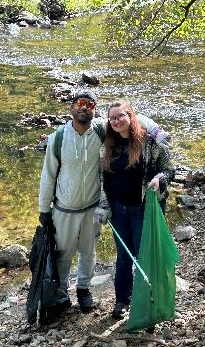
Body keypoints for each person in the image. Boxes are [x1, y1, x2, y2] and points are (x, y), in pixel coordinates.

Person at [98, 99, 175, 320]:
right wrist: (103, 207)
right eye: (112, 118)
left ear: (131, 116)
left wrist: (160, 179)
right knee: (123, 257)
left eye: (120, 116)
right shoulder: (108, 146)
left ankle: (149, 300)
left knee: (145, 256)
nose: (116, 121)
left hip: (143, 210)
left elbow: (169, 170)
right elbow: (104, 180)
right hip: (118, 212)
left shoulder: (150, 143)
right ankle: (122, 300)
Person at [38, 91, 106, 322]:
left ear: (95, 109)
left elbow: (130, 119)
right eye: (79, 103)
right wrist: (44, 209)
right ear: (71, 108)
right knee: (63, 255)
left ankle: (84, 289)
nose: (84, 107)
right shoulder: (58, 137)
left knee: (89, 252)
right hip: (64, 209)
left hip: (92, 208)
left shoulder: (101, 132)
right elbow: (48, 175)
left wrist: (156, 132)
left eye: (89, 104)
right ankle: (61, 292)